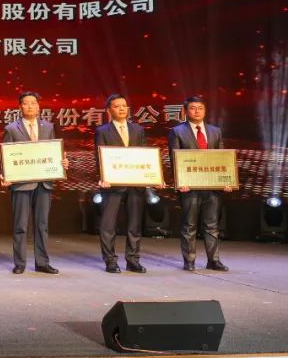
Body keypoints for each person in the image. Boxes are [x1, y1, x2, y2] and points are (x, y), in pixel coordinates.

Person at [1, 91, 67, 275]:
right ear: (20, 107)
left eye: (33, 103)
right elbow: (4, 155)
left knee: (42, 224)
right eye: (26, 103)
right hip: (21, 183)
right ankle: (20, 263)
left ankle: (42, 262)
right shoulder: (11, 129)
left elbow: (53, 151)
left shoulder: (48, 127)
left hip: (43, 183)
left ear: (39, 106)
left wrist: (62, 163)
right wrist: (5, 174)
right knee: (20, 225)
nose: (30, 106)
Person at [95, 93, 159, 274]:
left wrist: (152, 178)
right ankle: (110, 261)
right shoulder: (102, 131)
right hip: (112, 184)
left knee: (134, 224)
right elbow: (99, 157)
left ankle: (133, 260)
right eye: (117, 106)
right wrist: (103, 177)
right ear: (109, 110)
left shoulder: (138, 130)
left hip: (134, 184)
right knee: (108, 225)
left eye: (124, 106)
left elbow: (145, 156)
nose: (122, 109)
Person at [168, 95, 231, 272]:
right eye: (193, 108)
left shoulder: (215, 131)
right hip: (189, 186)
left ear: (205, 111)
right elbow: (174, 159)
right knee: (189, 225)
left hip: (212, 186)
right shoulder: (177, 131)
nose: (197, 111)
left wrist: (226, 180)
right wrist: (180, 182)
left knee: (212, 225)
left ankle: (214, 260)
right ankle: (189, 260)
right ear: (185, 111)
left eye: (200, 108)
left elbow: (222, 158)